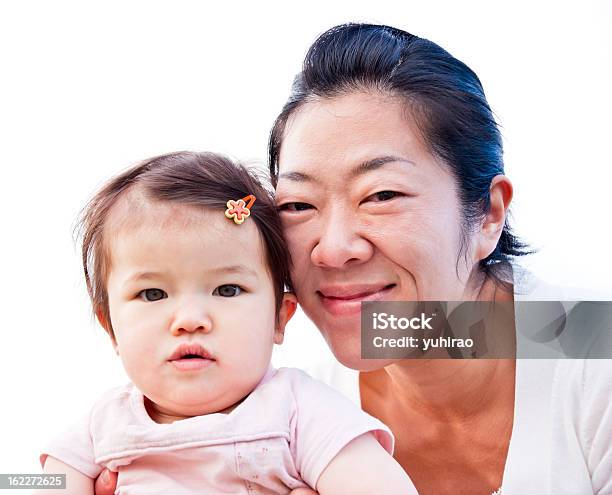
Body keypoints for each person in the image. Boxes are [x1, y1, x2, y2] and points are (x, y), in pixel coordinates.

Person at [95, 23, 612, 495]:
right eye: (299, 205)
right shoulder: (296, 404)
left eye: (382, 195)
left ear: (487, 214)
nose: (335, 249)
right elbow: (25, 474)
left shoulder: (593, 355)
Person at [37, 151, 416, 494]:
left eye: (227, 290)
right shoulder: (102, 424)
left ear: (278, 318)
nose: (189, 321)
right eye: (153, 294)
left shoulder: (298, 411)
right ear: (110, 328)